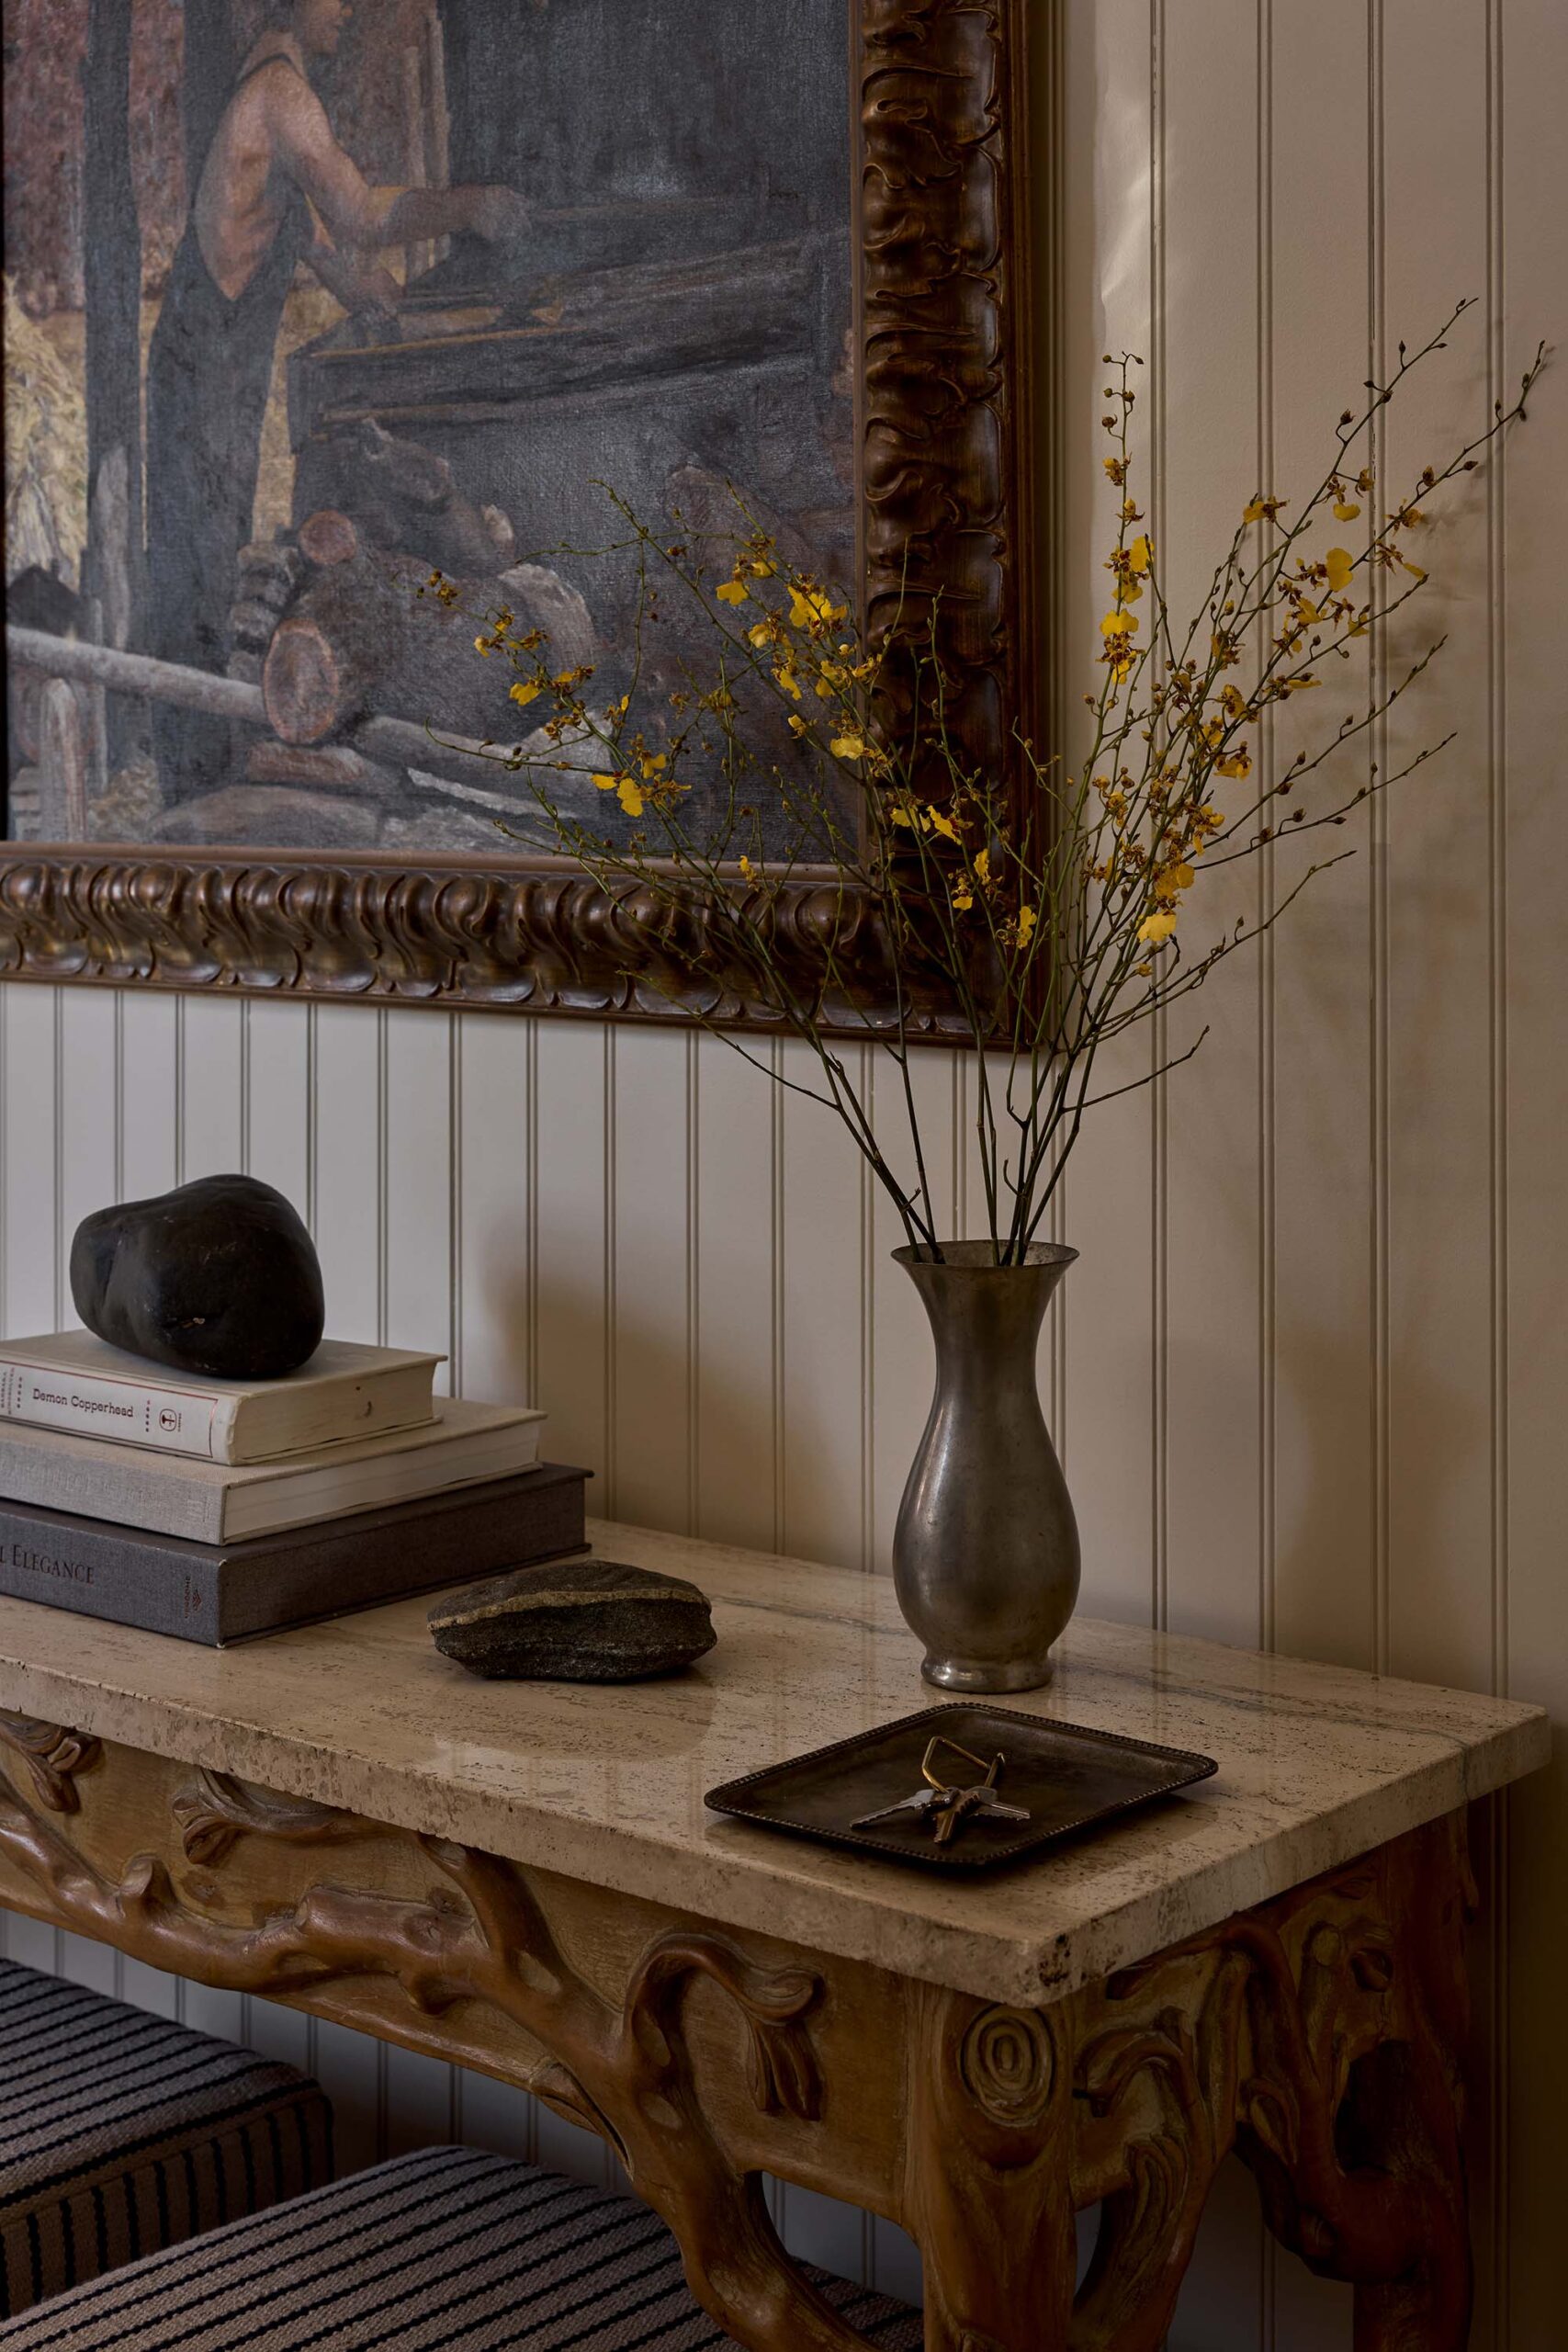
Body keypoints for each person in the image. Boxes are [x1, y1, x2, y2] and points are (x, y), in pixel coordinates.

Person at [144, 0, 525, 800]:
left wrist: (359, 293)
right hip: (205, 350)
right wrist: (470, 205)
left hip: (214, 350)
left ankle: (202, 763)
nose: (346, 11)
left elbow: (309, 233)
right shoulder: (282, 95)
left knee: (208, 550)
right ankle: (192, 780)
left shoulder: (272, 86)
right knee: (197, 562)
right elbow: (355, 213)